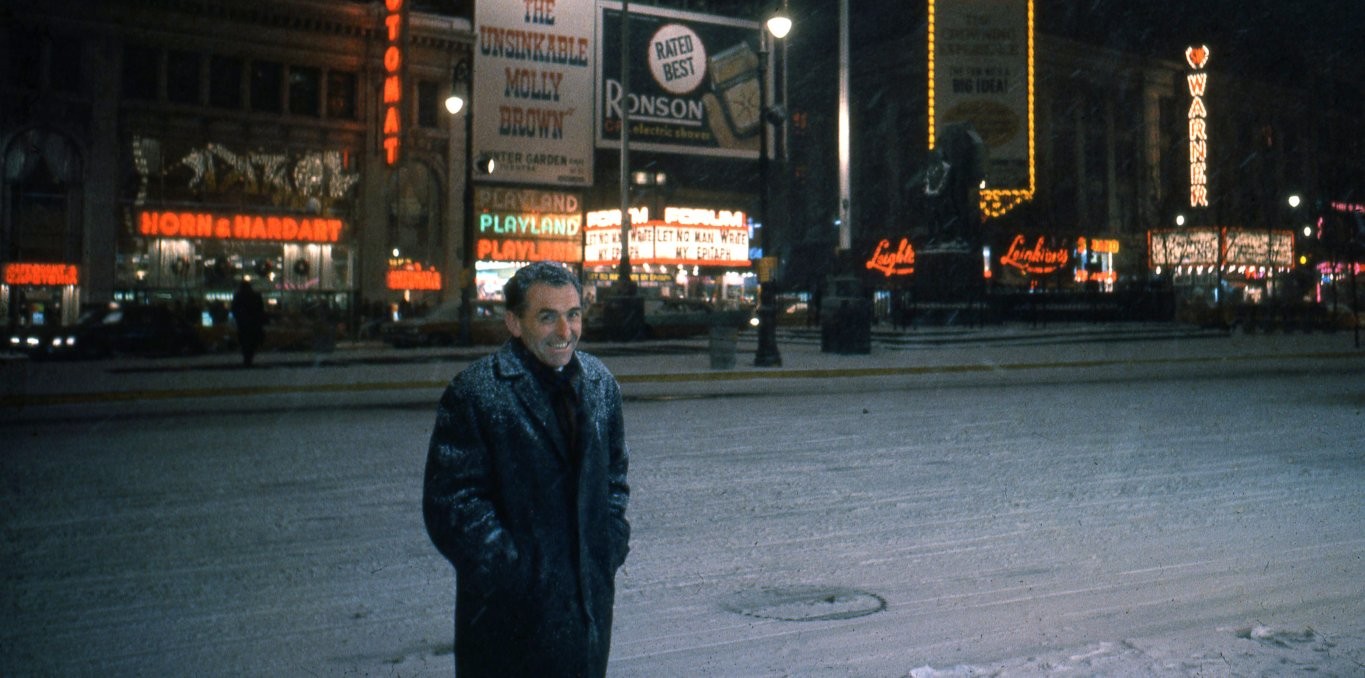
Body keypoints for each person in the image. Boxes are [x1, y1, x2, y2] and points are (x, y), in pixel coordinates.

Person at [423, 261, 631, 678]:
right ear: (514, 323)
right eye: (547, 317)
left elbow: (614, 479)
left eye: (573, 315)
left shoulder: (600, 383)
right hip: (509, 625)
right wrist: (518, 573)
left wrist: (608, 544)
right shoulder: (477, 393)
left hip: (587, 614)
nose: (564, 332)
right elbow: (453, 507)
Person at [230, 278, 265, 366]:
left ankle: (247, 358)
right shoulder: (256, 296)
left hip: (243, 323)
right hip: (254, 323)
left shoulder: (238, 296)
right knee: (252, 341)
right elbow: (260, 310)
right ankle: (249, 357)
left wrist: (238, 317)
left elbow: (234, 309)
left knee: (244, 341)